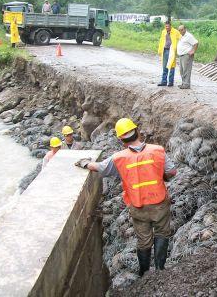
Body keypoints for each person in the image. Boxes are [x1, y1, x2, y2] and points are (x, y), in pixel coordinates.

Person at [75, 118, 176, 276]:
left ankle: (144, 273)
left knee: (144, 240)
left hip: (138, 207)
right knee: (162, 233)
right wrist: (161, 175)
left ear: (121, 139)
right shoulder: (157, 150)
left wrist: (85, 163)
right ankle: (160, 271)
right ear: (137, 131)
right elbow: (172, 171)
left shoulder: (119, 158)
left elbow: (99, 168)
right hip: (160, 203)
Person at [157, 21, 181, 87]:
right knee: (164, 66)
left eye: (168, 26)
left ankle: (171, 82)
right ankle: (164, 81)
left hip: (172, 51)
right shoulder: (163, 31)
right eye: (166, 26)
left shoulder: (176, 32)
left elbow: (181, 39)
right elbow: (161, 41)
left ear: (171, 26)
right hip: (164, 50)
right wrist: (159, 50)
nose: (167, 27)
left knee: (172, 66)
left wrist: (177, 48)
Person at [177, 25, 198, 89]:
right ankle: (183, 83)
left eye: (182, 29)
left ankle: (186, 84)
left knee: (186, 70)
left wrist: (193, 51)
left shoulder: (188, 36)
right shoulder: (182, 36)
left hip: (186, 56)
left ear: (185, 29)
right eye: (179, 30)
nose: (181, 31)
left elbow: (196, 43)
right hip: (181, 56)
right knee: (182, 70)